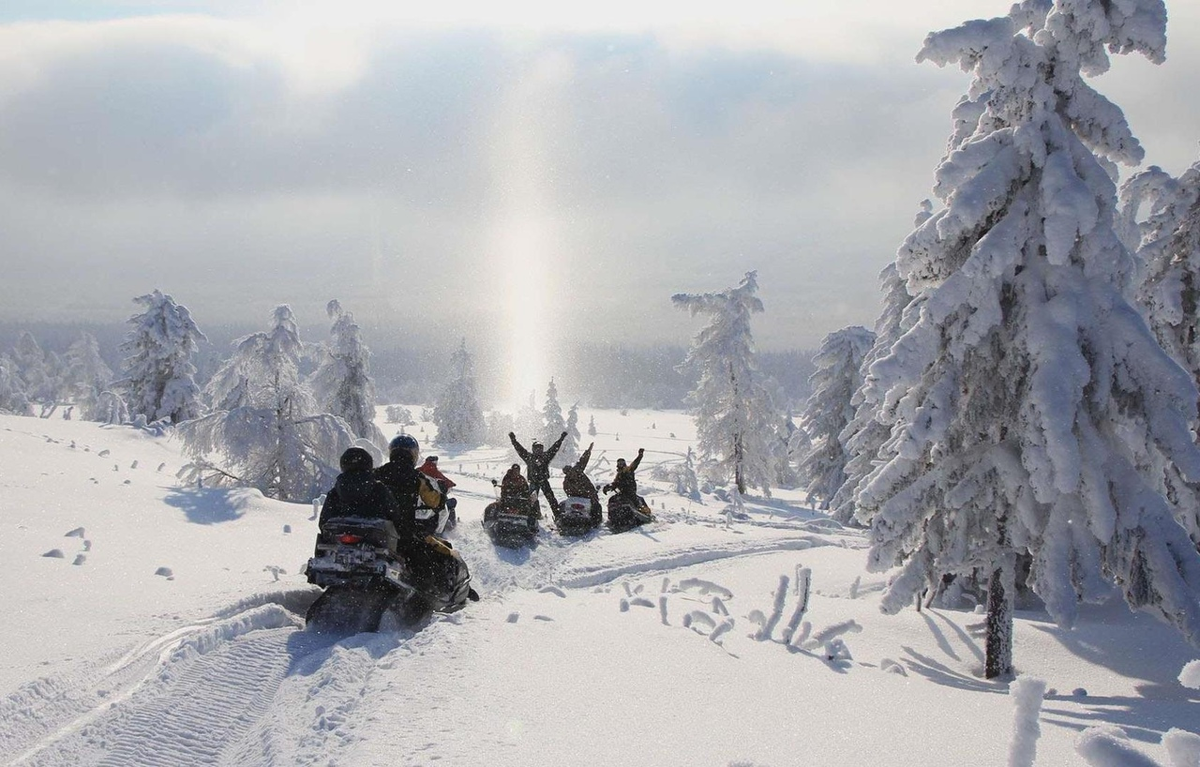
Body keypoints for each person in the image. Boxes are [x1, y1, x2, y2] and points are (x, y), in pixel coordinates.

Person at [376, 435, 477, 604]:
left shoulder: (377, 473)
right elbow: (435, 502)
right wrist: (442, 496)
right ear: (413, 454)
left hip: (379, 533)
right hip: (405, 532)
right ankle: (431, 596)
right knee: (438, 553)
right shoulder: (417, 477)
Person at [318, 446, 403, 529]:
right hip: (373, 536)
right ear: (369, 464)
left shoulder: (335, 491)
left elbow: (323, 521)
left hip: (338, 534)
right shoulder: (379, 489)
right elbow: (395, 515)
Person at [509, 430, 568, 518]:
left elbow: (554, 448)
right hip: (533, 482)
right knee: (531, 501)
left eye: (540, 448)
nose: (538, 450)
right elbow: (519, 449)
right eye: (536, 448)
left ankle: (558, 516)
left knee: (551, 499)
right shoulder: (529, 457)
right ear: (533, 449)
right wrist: (513, 440)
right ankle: (535, 515)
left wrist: (561, 439)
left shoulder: (545, 456)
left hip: (544, 481)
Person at [602, 448, 651, 530]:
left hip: (629, 494)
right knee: (612, 500)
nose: (621, 465)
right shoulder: (619, 475)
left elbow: (635, 464)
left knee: (639, 500)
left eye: (622, 463)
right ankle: (612, 518)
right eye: (619, 463)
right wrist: (608, 487)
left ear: (624, 464)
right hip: (627, 494)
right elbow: (615, 484)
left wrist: (640, 456)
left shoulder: (628, 470)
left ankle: (644, 513)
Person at [562, 441, 602, 526]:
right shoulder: (576, 472)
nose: (571, 474)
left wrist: (588, 451)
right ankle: (596, 523)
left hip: (580, 498)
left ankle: (595, 522)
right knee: (597, 507)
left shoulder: (568, 479)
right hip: (585, 497)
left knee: (562, 505)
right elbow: (583, 461)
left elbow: (583, 460)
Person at [419, 455, 458, 530]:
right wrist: (451, 484)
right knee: (450, 503)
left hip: (419, 500)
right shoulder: (434, 471)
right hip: (433, 499)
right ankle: (450, 527)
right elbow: (445, 480)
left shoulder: (419, 469)